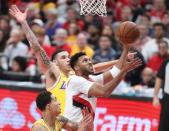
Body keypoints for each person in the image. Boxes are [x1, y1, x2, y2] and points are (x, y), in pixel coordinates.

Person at [9, 5, 120, 114]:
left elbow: (94, 67)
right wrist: (24, 23)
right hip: (57, 122)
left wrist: (118, 62)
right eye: (63, 57)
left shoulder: (74, 74)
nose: (68, 59)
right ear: (55, 62)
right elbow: (37, 47)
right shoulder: (53, 72)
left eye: (68, 57)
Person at [64, 49, 142, 129]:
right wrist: (123, 70)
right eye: (85, 61)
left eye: (90, 60)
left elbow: (114, 72)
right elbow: (104, 92)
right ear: (76, 67)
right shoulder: (75, 80)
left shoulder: (91, 79)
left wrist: (125, 50)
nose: (90, 62)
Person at [152, 59, 169, 131]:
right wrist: (155, 96)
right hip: (167, 98)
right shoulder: (166, 62)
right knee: (164, 125)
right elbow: (159, 78)